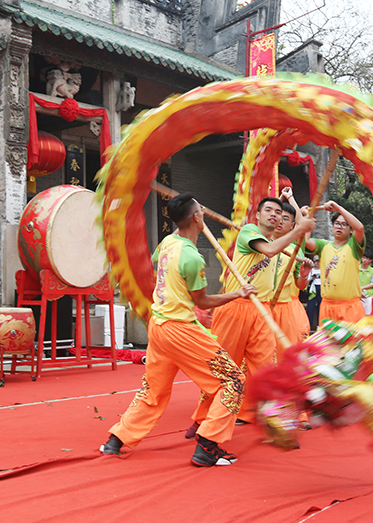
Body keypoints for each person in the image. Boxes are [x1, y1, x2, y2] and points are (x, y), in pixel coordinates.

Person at [100, 193, 257, 467]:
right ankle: (208, 445)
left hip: (159, 327)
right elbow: (203, 302)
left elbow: (177, 233)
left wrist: (190, 213)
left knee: (153, 391)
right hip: (180, 330)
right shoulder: (192, 258)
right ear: (196, 217)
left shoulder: (167, 243)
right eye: (200, 212)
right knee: (233, 380)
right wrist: (238, 293)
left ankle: (116, 439)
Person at [187, 196, 314, 431]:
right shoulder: (249, 232)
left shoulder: (281, 246)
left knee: (267, 368)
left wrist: (303, 267)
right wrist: (300, 230)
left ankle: (276, 421)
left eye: (278, 212)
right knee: (225, 368)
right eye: (269, 210)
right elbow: (269, 250)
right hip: (236, 307)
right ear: (257, 215)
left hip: (263, 310)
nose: (274, 215)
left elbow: (282, 260)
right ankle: (202, 419)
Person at [305, 202, 365, 325]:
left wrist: (338, 208)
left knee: (351, 338)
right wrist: (307, 217)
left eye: (344, 224)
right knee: (327, 338)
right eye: (337, 223)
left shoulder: (354, 246)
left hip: (350, 308)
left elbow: (360, 228)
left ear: (351, 230)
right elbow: (306, 241)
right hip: (327, 307)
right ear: (332, 226)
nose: (339, 227)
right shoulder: (323, 245)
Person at [271, 197, 314, 357]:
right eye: (278, 216)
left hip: (285, 308)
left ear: (292, 226)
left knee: (285, 353)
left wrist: (303, 275)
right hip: (260, 306)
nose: (280, 221)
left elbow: (301, 285)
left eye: (285, 218)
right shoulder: (259, 242)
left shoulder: (295, 250)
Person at [359, 251, 373, 315]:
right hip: (356, 295)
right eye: (364, 257)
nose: (365, 260)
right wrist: (359, 289)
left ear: (370, 260)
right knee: (356, 315)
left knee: (367, 314)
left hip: (367, 296)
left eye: (367, 258)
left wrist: (362, 288)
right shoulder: (356, 268)